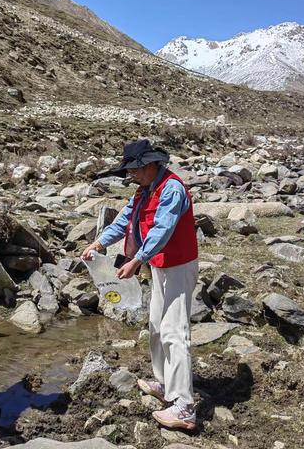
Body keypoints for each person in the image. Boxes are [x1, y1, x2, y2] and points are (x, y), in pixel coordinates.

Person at [82, 139, 199, 430]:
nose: (129, 176)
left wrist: (138, 260)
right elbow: (124, 220)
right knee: (157, 326)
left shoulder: (171, 189)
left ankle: (184, 406)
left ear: (149, 165)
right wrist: (98, 242)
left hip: (179, 265)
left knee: (175, 331)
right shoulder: (144, 190)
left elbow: (163, 228)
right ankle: (163, 384)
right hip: (161, 265)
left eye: (133, 170)